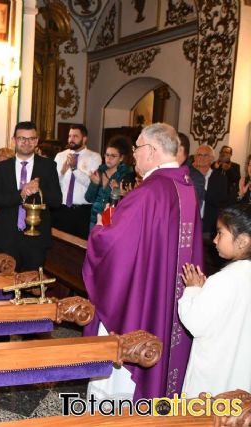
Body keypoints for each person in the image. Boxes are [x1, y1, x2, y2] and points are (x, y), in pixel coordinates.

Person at [84, 123, 202, 400]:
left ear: (153, 150)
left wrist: (101, 228)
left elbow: (114, 245)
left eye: (137, 147)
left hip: (140, 300)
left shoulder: (149, 191)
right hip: (167, 294)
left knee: (118, 380)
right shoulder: (185, 187)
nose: (134, 154)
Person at [179, 203, 251, 397]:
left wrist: (193, 290)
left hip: (215, 376)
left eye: (221, 234)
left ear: (242, 241)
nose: (215, 240)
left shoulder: (224, 279)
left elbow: (195, 322)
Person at [0, 122, 62, 271]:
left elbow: (56, 201)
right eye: (22, 138)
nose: (26, 142)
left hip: (36, 238)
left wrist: (38, 189)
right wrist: (20, 194)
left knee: (32, 284)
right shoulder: (3, 167)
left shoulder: (48, 166)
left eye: (31, 139)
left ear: (36, 141)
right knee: (6, 285)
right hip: (8, 236)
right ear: (14, 140)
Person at [53, 124, 102, 239]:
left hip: (82, 211)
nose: (71, 139)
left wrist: (74, 169)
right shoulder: (60, 156)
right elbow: (54, 183)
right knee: (59, 246)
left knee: (78, 249)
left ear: (84, 138)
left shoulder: (94, 157)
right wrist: (62, 172)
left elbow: (91, 184)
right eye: (70, 136)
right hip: (62, 209)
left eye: (75, 136)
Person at [85, 136, 134, 228]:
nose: (109, 159)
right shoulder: (99, 171)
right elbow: (89, 198)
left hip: (113, 222)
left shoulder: (126, 175)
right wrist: (94, 184)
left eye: (113, 156)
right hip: (94, 220)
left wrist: (117, 191)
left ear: (121, 158)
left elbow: (128, 203)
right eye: (107, 155)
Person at [193, 144, 228, 238]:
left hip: (209, 225)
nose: (201, 158)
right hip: (188, 222)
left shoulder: (220, 178)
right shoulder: (188, 176)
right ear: (194, 158)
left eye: (205, 155)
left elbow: (221, 201)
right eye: (199, 155)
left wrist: (200, 191)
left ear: (212, 159)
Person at [176, 132, 205, 208]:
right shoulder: (166, 170)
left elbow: (189, 209)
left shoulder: (195, 177)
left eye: (169, 147)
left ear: (180, 150)